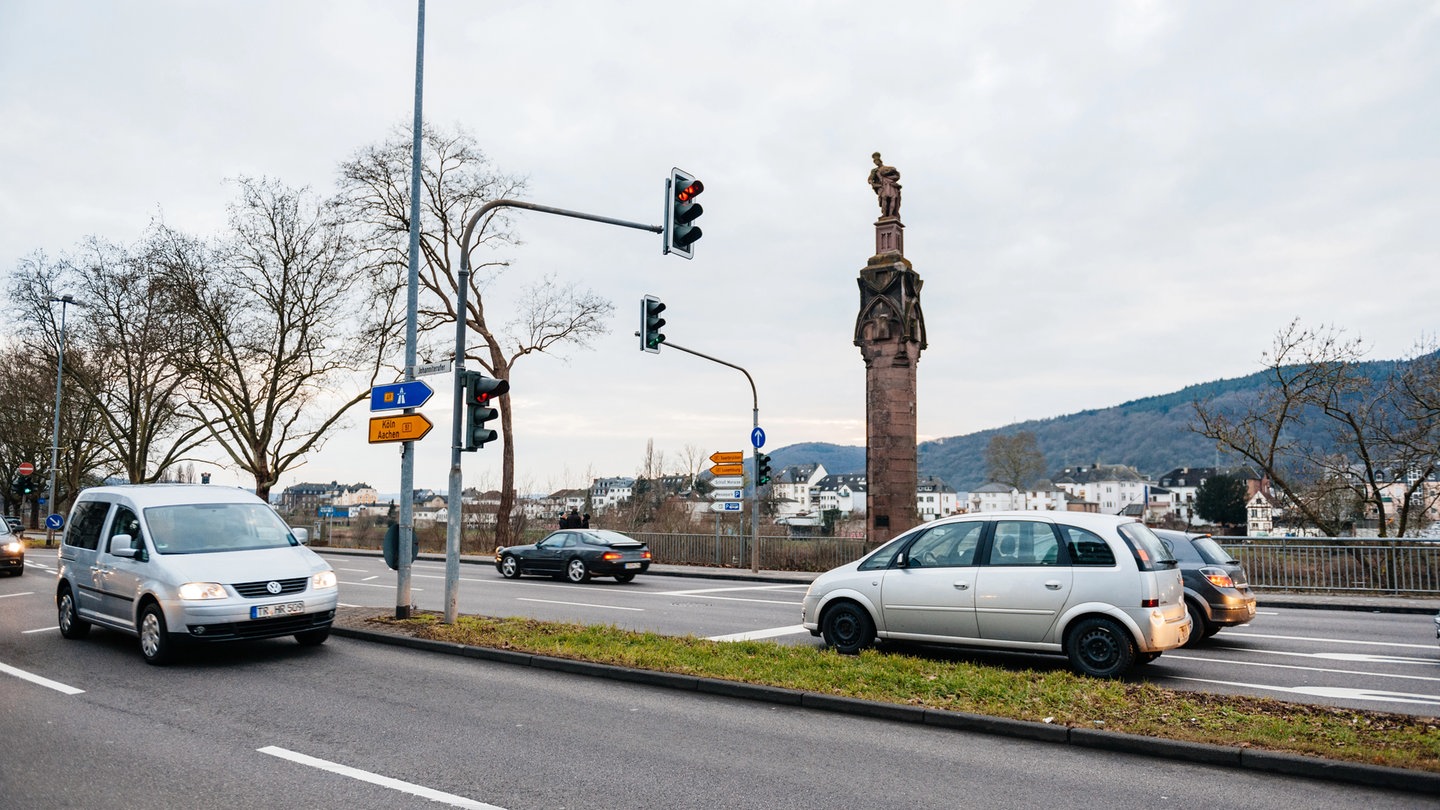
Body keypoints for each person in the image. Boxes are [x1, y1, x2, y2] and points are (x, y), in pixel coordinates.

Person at [868, 152, 901, 218]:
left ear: (880, 160)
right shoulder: (874, 171)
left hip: (891, 185)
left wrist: (888, 174)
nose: (876, 163)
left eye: (877, 161)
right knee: (884, 199)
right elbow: (870, 179)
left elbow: (897, 175)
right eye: (875, 162)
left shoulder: (888, 168)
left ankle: (891, 214)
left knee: (893, 198)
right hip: (882, 186)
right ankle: (885, 215)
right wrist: (873, 184)